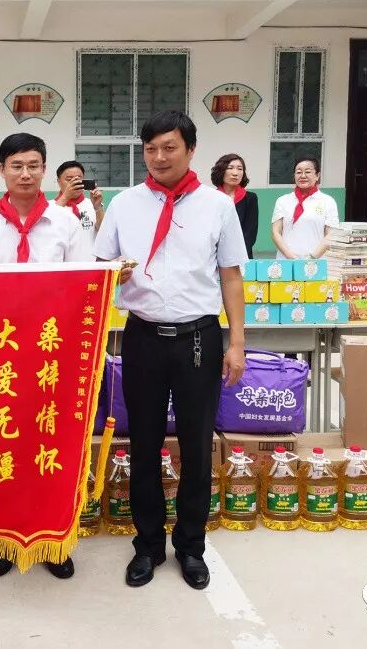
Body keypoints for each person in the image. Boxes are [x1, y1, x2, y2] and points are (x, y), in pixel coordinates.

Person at [94, 110, 246, 591]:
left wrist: (236, 342)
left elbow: (231, 276)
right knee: (143, 443)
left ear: (191, 150)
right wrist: (113, 273)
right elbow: (100, 268)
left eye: (169, 147)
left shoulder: (217, 206)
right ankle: (147, 545)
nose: (159, 157)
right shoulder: (125, 205)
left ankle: (191, 546)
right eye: (151, 149)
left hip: (199, 339)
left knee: (197, 447)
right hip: (142, 336)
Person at [0, 132, 90, 580]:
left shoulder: (66, 223)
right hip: (2, 358)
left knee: (50, 445)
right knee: (3, 446)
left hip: (52, 356)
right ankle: (2, 539)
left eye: (34, 165)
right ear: (2, 170)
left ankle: (53, 540)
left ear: (45, 170)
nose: (25, 174)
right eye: (16, 165)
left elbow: (85, 284)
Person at [270, 156, 339, 260]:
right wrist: (291, 258)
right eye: (298, 172)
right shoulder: (282, 201)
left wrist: (312, 258)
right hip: (286, 261)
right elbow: (275, 232)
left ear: (317, 175)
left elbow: (331, 234)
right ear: (294, 176)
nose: (303, 176)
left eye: (308, 172)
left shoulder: (328, 201)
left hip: (316, 262)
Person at [210, 154, 259, 259]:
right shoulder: (211, 198)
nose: (235, 173)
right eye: (230, 168)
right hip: (214, 257)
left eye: (240, 169)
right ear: (221, 171)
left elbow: (250, 233)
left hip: (241, 257)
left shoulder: (250, 198)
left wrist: (237, 258)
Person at [52, 159, 104, 251]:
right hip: (60, 260)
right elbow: (49, 231)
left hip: (89, 259)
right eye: (69, 180)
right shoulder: (50, 206)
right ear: (59, 182)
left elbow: (103, 231)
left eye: (79, 179)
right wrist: (66, 196)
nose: (75, 183)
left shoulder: (92, 204)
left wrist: (98, 208)